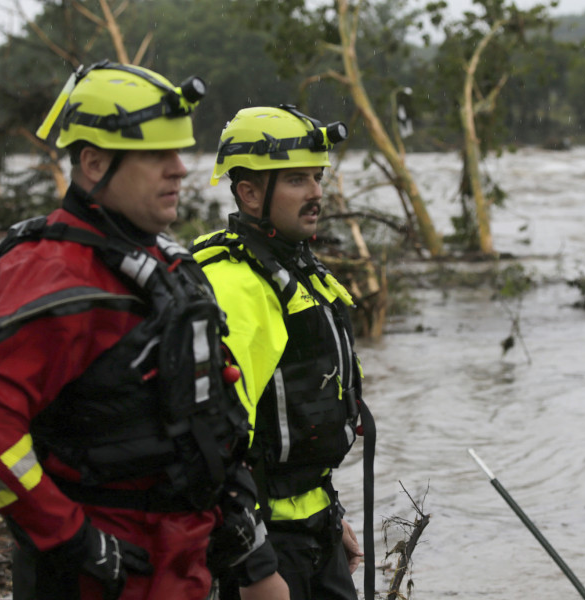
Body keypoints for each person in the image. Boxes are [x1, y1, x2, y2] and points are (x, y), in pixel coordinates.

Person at [0, 61, 288, 600]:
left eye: (179, 152)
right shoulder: (53, 275)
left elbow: (212, 411)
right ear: (94, 162)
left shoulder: (170, 264)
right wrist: (69, 537)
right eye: (157, 155)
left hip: (183, 560)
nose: (179, 170)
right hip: (101, 574)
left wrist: (245, 530)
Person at [192, 104, 374, 600]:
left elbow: (297, 423)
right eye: (296, 179)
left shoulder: (293, 268)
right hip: (264, 544)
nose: (316, 192)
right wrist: (255, 567)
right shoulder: (234, 287)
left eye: (317, 177)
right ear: (249, 193)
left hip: (314, 526)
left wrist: (329, 514)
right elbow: (215, 446)